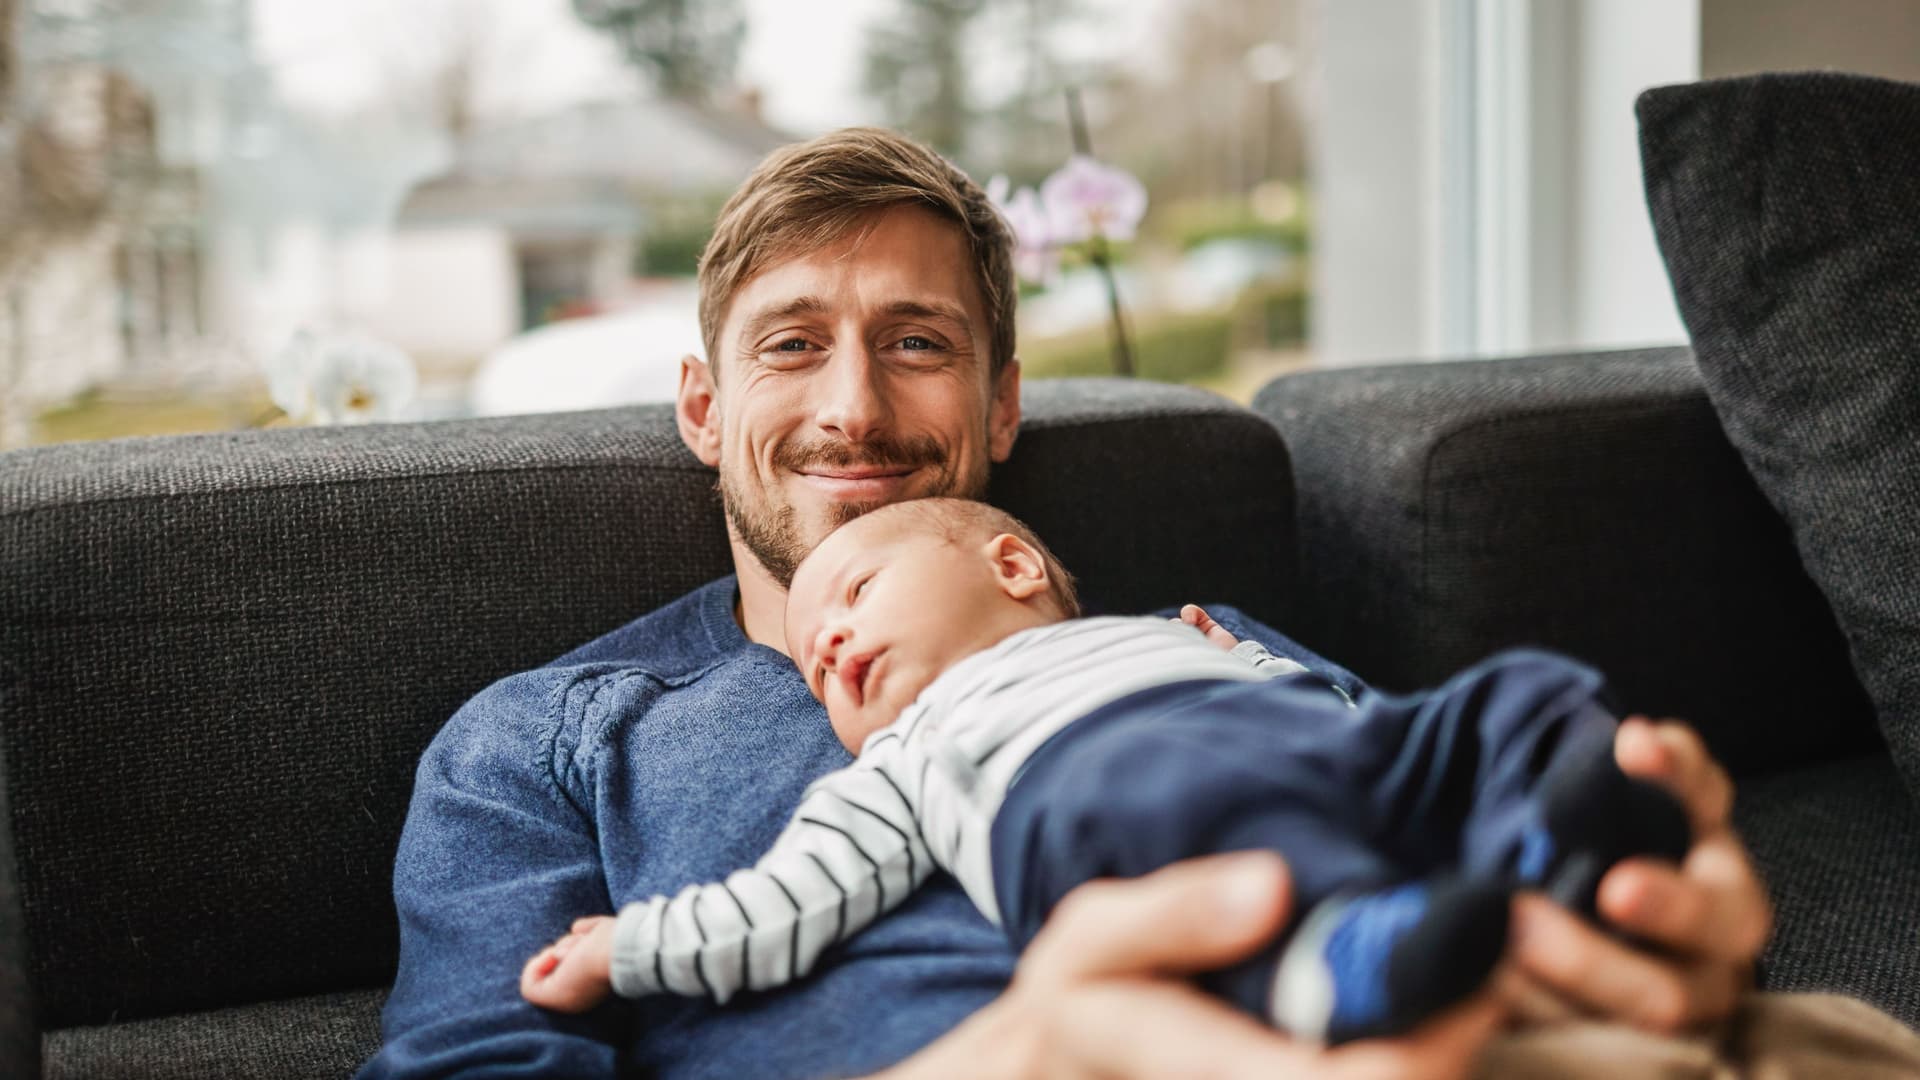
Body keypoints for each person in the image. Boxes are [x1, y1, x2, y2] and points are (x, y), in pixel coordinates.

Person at [358, 127, 1773, 1080]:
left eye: (919, 344)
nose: (855, 409)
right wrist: (1034, 1045)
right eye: (793, 346)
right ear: (703, 407)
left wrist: (1649, 923)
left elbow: (1456, 816)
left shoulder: (1194, 650)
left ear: (1004, 404)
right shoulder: (545, 742)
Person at [519, 498, 1691, 1045]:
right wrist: (628, 947)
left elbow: (1344, 714)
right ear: (705, 402)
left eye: (860, 593)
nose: (826, 643)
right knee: (1233, 869)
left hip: (1309, 747)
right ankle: (1339, 968)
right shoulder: (908, 759)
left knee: (1516, 691)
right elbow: (778, 907)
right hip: (1106, 808)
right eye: (817, 659)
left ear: (1014, 563)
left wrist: (1260, 671)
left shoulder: (1185, 629)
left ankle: (1553, 839)